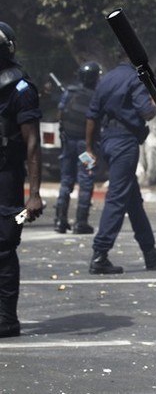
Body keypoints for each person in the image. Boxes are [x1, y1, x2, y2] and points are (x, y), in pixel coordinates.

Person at [84, 58, 156, 274]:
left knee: (133, 199)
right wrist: (154, 100)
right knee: (117, 197)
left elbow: (91, 117)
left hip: (107, 140)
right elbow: (147, 112)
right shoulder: (135, 78)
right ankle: (100, 254)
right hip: (125, 141)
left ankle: (149, 250)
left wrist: (90, 149)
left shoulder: (106, 79)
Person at [0, 21, 44, 337]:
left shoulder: (21, 88)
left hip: (8, 179)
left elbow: (32, 144)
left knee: (3, 247)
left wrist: (35, 193)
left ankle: (6, 319)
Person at [54, 61, 102, 234]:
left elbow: (60, 114)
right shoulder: (97, 96)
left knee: (66, 180)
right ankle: (81, 222)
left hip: (68, 143)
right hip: (86, 147)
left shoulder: (70, 92)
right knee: (86, 180)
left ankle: (60, 220)